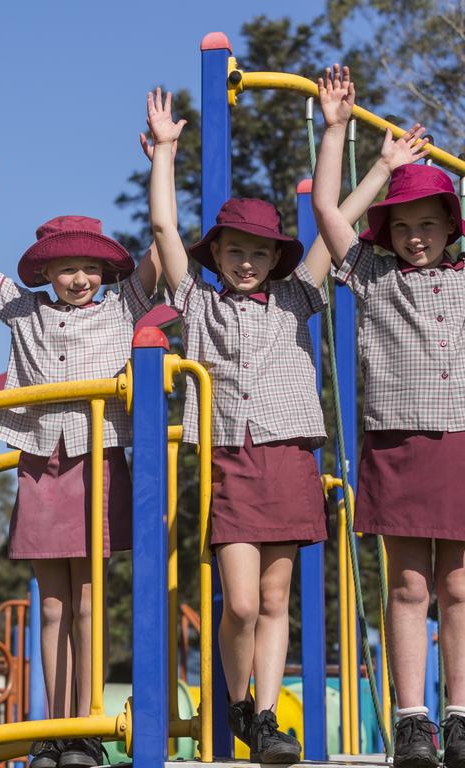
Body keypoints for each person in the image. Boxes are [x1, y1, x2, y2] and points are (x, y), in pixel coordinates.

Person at [147, 85, 337, 763]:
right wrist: (167, 154)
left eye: (260, 252)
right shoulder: (196, 306)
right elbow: (166, 233)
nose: (248, 262)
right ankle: (234, 696)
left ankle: (262, 717)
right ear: (219, 253)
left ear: (275, 258)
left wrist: (335, 131)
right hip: (231, 455)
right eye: (235, 251)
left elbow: (333, 222)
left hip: (289, 455)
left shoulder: (295, 299)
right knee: (243, 603)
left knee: (278, 595)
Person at [0, 136, 160, 768]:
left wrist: (162, 163)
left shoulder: (126, 304)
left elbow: (162, 243)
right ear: (43, 273)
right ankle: (52, 728)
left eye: (89, 267)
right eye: (66, 268)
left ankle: (85, 728)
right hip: (43, 463)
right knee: (50, 604)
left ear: (106, 273)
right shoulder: (25, 312)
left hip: (99, 457)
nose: (79, 278)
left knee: (89, 602)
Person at [312, 64, 465, 768]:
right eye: (402, 227)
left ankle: (459, 712)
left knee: (460, 583)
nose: (415, 237)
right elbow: (328, 215)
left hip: (460, 438)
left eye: (429, 224)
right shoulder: (373, 277)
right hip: (398, 441)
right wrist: (339, 131)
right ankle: (413, 718)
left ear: (450, 229)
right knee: (408, 582)